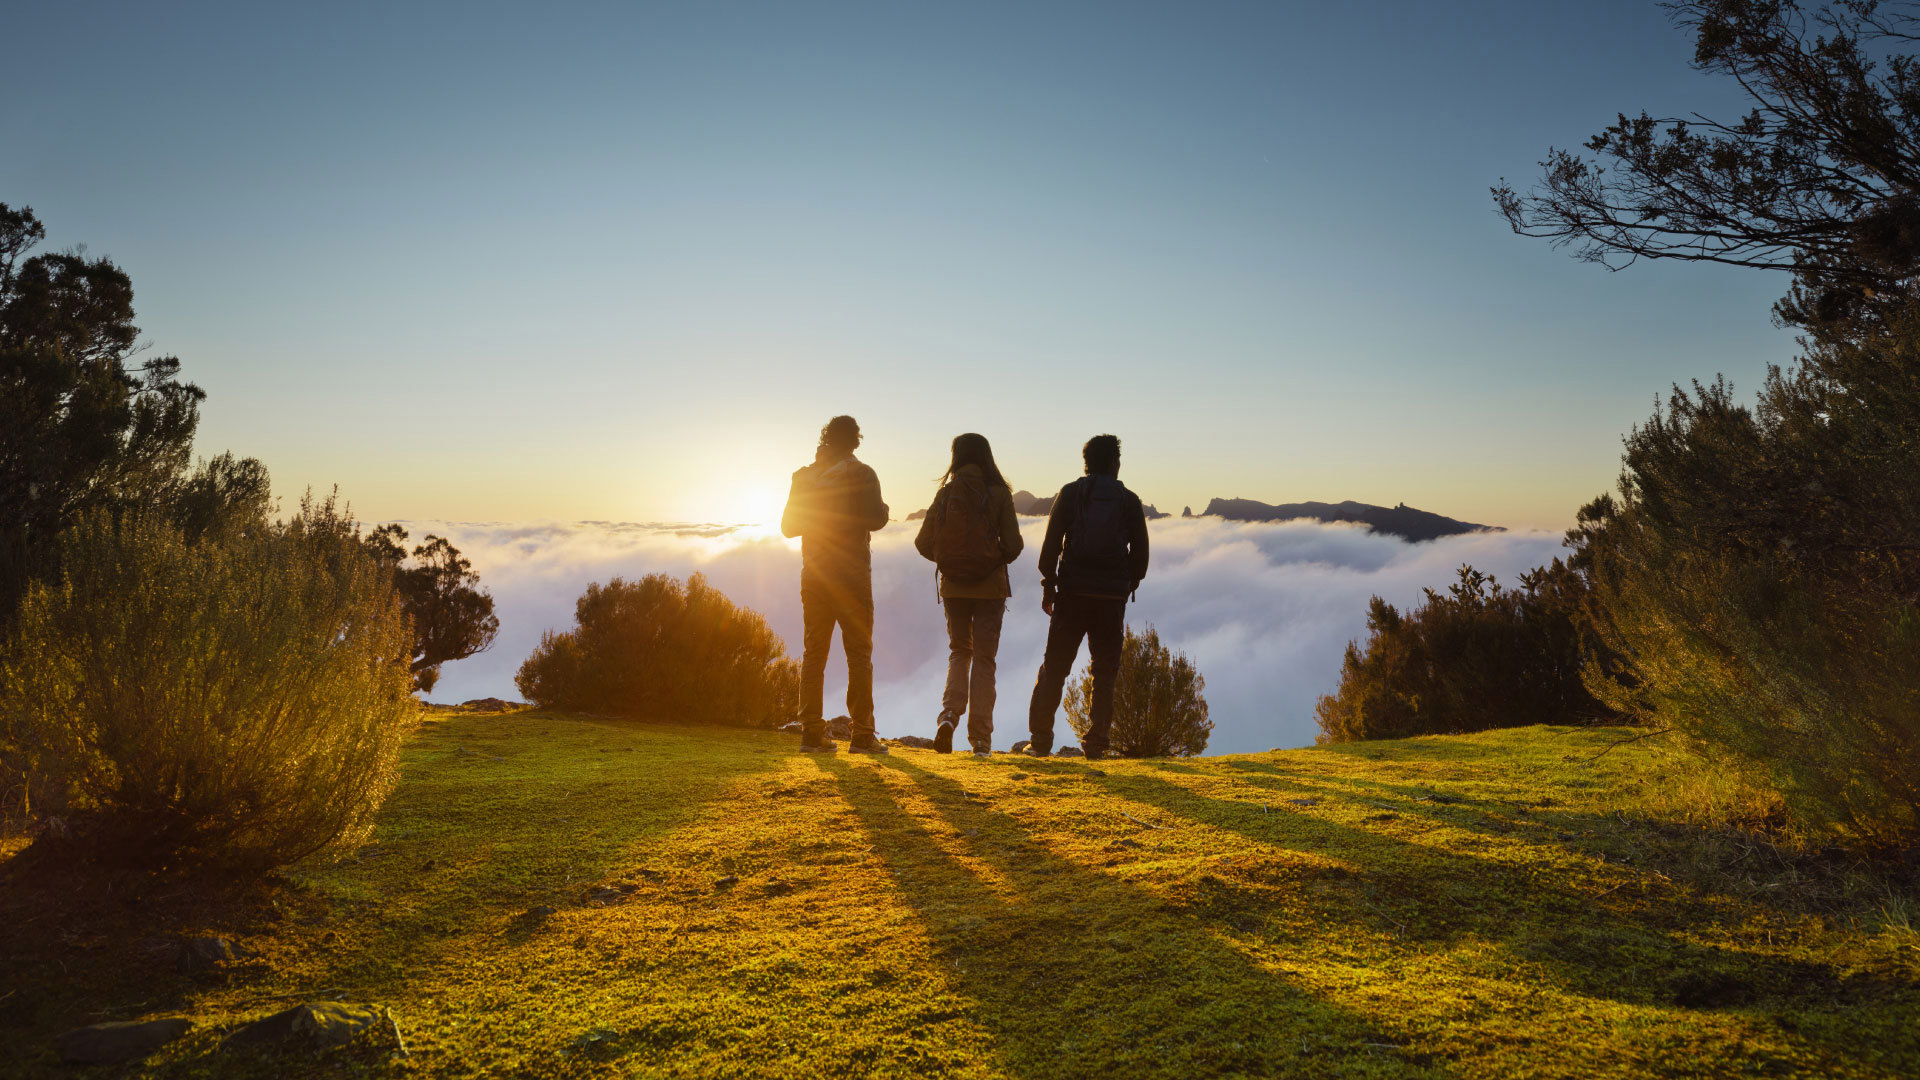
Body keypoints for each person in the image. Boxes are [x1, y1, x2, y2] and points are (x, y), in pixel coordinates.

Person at [1026, 434, 1149, 760]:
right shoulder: (1129, 500)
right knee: (1104, 673)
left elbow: (1049, 548)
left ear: (1086, 463)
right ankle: (1096, 745)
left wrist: (1049, 586)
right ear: (1115, 463)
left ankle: (1039, 742)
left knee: (1054, 670)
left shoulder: (1070, 494)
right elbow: (1141, 556)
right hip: (1110, 600)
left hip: (1071, 596)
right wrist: (1126, 585)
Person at [781, 415, 890, 753]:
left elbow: (788, 527)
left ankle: (811, 735)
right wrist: (880, 509)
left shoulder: (803, 478)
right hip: (852, 577)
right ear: (854, 441)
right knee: (859, 654)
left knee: (814, 654)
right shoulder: (862, 474)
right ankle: (862, 736)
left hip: (814, 576)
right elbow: (875, 518)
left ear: (825, 440)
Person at [914, 433, 1024, 758]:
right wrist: (992, 560)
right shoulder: (1000, 494)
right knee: (985, 659)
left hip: (953, 588)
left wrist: (951, 562)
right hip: (990, 589)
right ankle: (980, 741)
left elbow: (922, 542)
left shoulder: (946, 493)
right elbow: (1014, 545)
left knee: (960, 651)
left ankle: (948, 717)